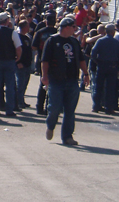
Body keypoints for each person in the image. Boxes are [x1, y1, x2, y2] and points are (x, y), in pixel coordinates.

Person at [41, 17, 89, 146]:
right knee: (54, 108)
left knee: (70, 110)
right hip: (56, 80)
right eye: (74, 27)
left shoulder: (74, 42)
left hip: (72, 80)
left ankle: (67, 136)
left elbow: (81, 59)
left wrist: (86, 74)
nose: (75, 30)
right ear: (67, 27)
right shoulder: (52, 40)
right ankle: (50, 126)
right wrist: (44, 76)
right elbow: (45, 61)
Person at [90, 24, 119, 115]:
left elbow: (93, 53)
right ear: (112, 32)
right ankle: (109, 108)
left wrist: (97, 62)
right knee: (110, 88)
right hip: (112, 66)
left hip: (101, 65)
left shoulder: (100, 41)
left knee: (98, 87)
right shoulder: (116, 43)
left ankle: (96, 106)